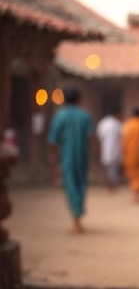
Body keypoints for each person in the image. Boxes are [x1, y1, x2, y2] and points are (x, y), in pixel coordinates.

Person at [47, 87, 94, 234]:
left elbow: (53, 142)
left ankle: (76, 219)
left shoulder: (59, 116)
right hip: (83, 156)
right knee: (81, 185)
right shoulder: (85, 116)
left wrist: (54, 163)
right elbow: (91, 138)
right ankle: (77, 218)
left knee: (71, 186)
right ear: (79, 100)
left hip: (66, 156)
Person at [96, 106, 123, 191]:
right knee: (113, 169)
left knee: (109, 169)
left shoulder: (103, 123)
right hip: (116, 149)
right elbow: (123, 136)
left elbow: (99, 137)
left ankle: (110, 185)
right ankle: (112, 185)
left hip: (106, 149)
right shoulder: (118, 123)